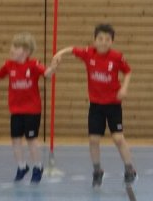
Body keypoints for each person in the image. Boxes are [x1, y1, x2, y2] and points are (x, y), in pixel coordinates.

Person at [54, 24, 136, 187]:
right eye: (100, 39)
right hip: (96, 105)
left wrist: (124, 88)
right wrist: (59, 53)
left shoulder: (117, 57)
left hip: (113, 105)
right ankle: (97, 171)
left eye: (107, 39)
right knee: (93, 139)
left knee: (118, 138)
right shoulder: (88, 53)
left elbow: (128, 71)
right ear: (95, 40)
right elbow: (72, 49)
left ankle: (129, 169)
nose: (103, 42)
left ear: (112, 42)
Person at [0, 33, 57, 184]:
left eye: (16, 47)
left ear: (25, 51)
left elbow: (47, 73)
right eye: (12, 46)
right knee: (15, 140)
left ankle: (38, 167)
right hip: (16, 110)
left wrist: (52, 68)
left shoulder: (33, 64)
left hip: (32, 110)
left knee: (31, 140)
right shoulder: (9, 65)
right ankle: (22, 166)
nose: (11, 49)